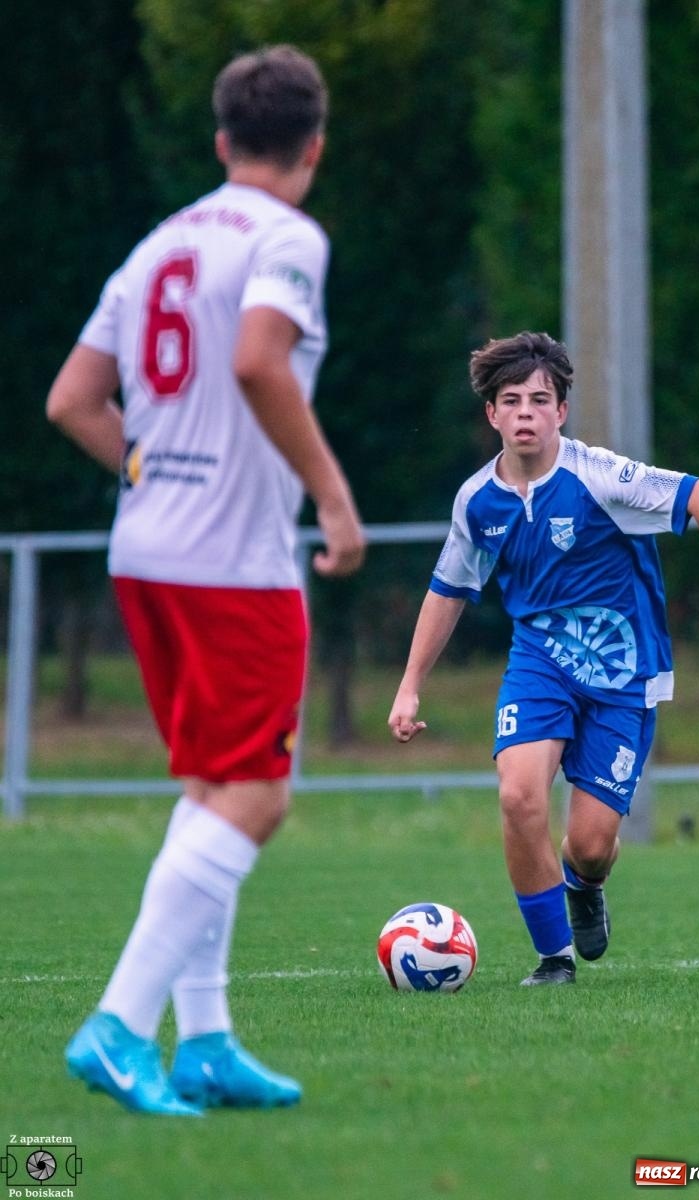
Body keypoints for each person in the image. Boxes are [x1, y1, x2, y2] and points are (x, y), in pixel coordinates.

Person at [46, 45, 365, 1115]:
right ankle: (120, 1026)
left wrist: (152, 469)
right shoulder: (286, 237)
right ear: (313, 148)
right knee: (258, 795)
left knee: (211, 787)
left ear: (223, 141)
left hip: (145, 551)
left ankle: (209, 1042)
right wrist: (331, 496)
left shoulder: (158, 244)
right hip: (234, 562)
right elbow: (258, 360)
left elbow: (72, 400)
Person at [388, 331, 699, 986]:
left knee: (591, 845)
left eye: (539, 400)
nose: (525, 412)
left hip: (622, 675)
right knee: (519, 796)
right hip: (540, 664)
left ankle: (584, 884)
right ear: (492, 414)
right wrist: (410, 685)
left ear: (561, 411)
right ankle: (554, 959)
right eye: (511, 400)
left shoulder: (600, 477)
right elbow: (448, 590)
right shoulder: (477, 501)